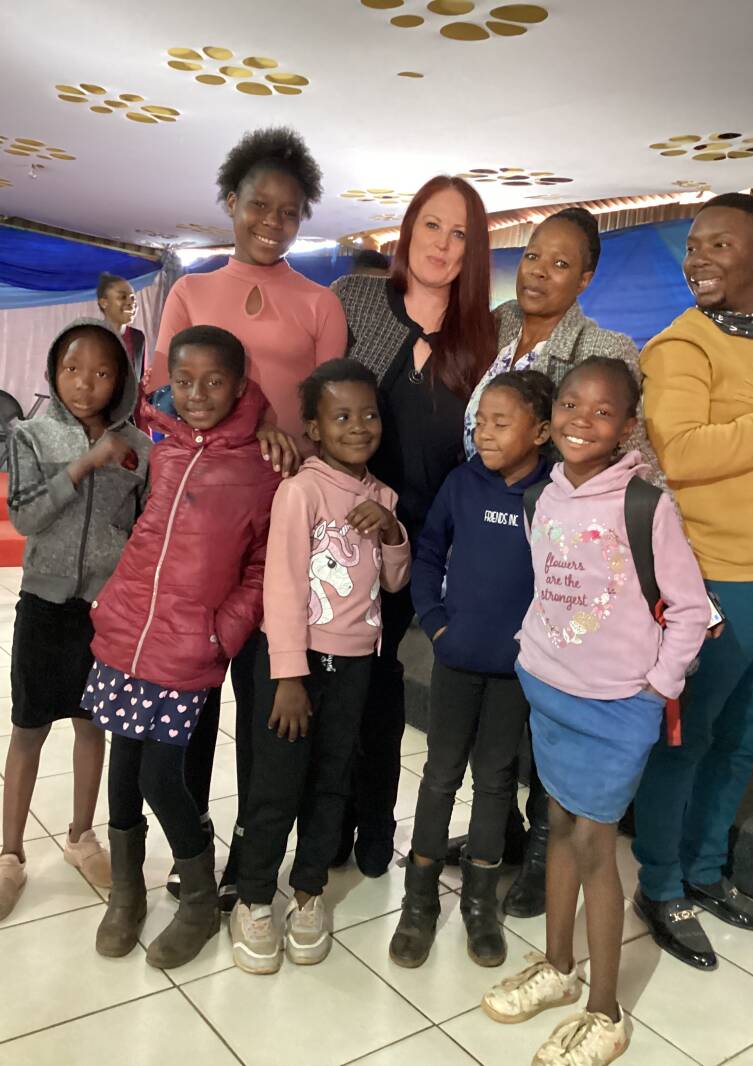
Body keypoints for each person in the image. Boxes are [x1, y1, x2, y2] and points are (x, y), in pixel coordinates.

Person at [481, 357, 708, 1066]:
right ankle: (558, 966)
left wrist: (656, 686)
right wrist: (533, 652)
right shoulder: (541, 500)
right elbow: (549, 587)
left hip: (616, 707)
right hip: (550, 692)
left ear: (628, 427)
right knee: (555, 824)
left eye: (603, 411)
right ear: (551, 417)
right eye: (571, 405)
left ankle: (605, 1011)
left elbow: (691, 610)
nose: (583, 420)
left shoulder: (645, 507)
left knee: (593, 847)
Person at [149, 127, 347, 907]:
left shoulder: (320, 303)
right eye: (260, 204)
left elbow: (331, 415)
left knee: (266, 698)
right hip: (204, 523)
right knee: (193, 693)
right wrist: (251, 416)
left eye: (290, 212)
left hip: (286, 525)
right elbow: (164, 400)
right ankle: (190, 842)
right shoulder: (191, 292)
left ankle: (250, 852)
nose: (273, 221)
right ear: (231, 202)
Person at [460, 206, 662, 920]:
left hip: (566, 562)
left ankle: (547, 851)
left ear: (587, 277)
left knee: (551, 705)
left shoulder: (605, 346)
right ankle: (502, 834)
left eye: (560, 262)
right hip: (492, 542)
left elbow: (638, 460)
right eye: (532, 256)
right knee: (501, 702)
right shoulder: (497, 330)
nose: (539, 272)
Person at [633, 193, 753, 969]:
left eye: (717, 245)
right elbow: (687, 453)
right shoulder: (680, 345)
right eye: (693, 246)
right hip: (719, 582)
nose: (697, 259)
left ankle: (705, 872)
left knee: (746, 741)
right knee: (689, 740)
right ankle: (660, 884)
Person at [86, 325, 279, 969]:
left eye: (214, 382)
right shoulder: (162, 448)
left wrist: (223, 632)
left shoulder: (261, 467)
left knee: (161, 776)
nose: (197, 395)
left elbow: (262, 567)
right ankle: (127, 893)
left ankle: (198, 900)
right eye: (185, 381)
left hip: (188, 648)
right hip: (126, 634)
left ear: (241, 386)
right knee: (123, 768)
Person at [332, 174, 495, 876]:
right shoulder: (356, 299)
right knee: (340, 679)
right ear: (408, 228)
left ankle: (376, 827)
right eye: (432, 225)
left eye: (460, 234)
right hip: (348, 529)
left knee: (386, 682)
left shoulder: (488, 333)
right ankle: (327, 827)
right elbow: (320, 403)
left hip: (431, 545)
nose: (443, 245)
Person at [230, 359, 410, 973]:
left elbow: (394, 581)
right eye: (341, 416)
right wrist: (287, 676)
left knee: (333, 778)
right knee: (276, 784)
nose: (358, 426)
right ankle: (255, 899)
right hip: (295, 665)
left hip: (354, 665)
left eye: (369, 415)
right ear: (313, 427)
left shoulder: (384, 497)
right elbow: (281, 588)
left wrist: (393, 531)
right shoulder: (300, 491)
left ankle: (308, 893)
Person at [389, 370, 552, 971]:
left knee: (495, 781)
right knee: (439, 777)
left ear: (540, 432)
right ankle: (419, 901)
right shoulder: (462, 484)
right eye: (480, 421)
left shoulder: (552, 496)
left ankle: (480, 904)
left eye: (500, 423)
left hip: (516, 674)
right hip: (456, 661)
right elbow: (430, 552)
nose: (484, 433)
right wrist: (435, 622)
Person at [0, 319, 150, 921]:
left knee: (93, 726)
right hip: (44, 604)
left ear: (121, 381)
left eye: (102, 372)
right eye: (72, 369)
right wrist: (85, 464)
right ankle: (9, 854)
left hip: (105, 612)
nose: (85, 383)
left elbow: (141, 525)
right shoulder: (30, 435)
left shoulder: (138, 446)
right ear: (54, 371)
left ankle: (82, 837)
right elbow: (25, 517)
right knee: (29, 728)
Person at [97, 273, 146, 382]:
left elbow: (138, 380)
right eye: (122, 297)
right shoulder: (91, 338)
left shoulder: (138, 338)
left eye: (133, 298)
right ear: (104, 303)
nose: (130, 303)